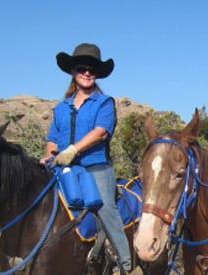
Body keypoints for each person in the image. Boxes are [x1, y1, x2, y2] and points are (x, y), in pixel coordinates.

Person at [40, 43, 132, 272]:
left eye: (92, 69)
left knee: (105, 208)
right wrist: (47, 156)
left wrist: (72, 150)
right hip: (64, 168)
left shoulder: (104, 102)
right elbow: (53, 137)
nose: (87, 73)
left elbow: (100, 132)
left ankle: (124, 260)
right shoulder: (61, 107)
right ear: (73, 72)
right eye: (82, 68)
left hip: (95, 167)